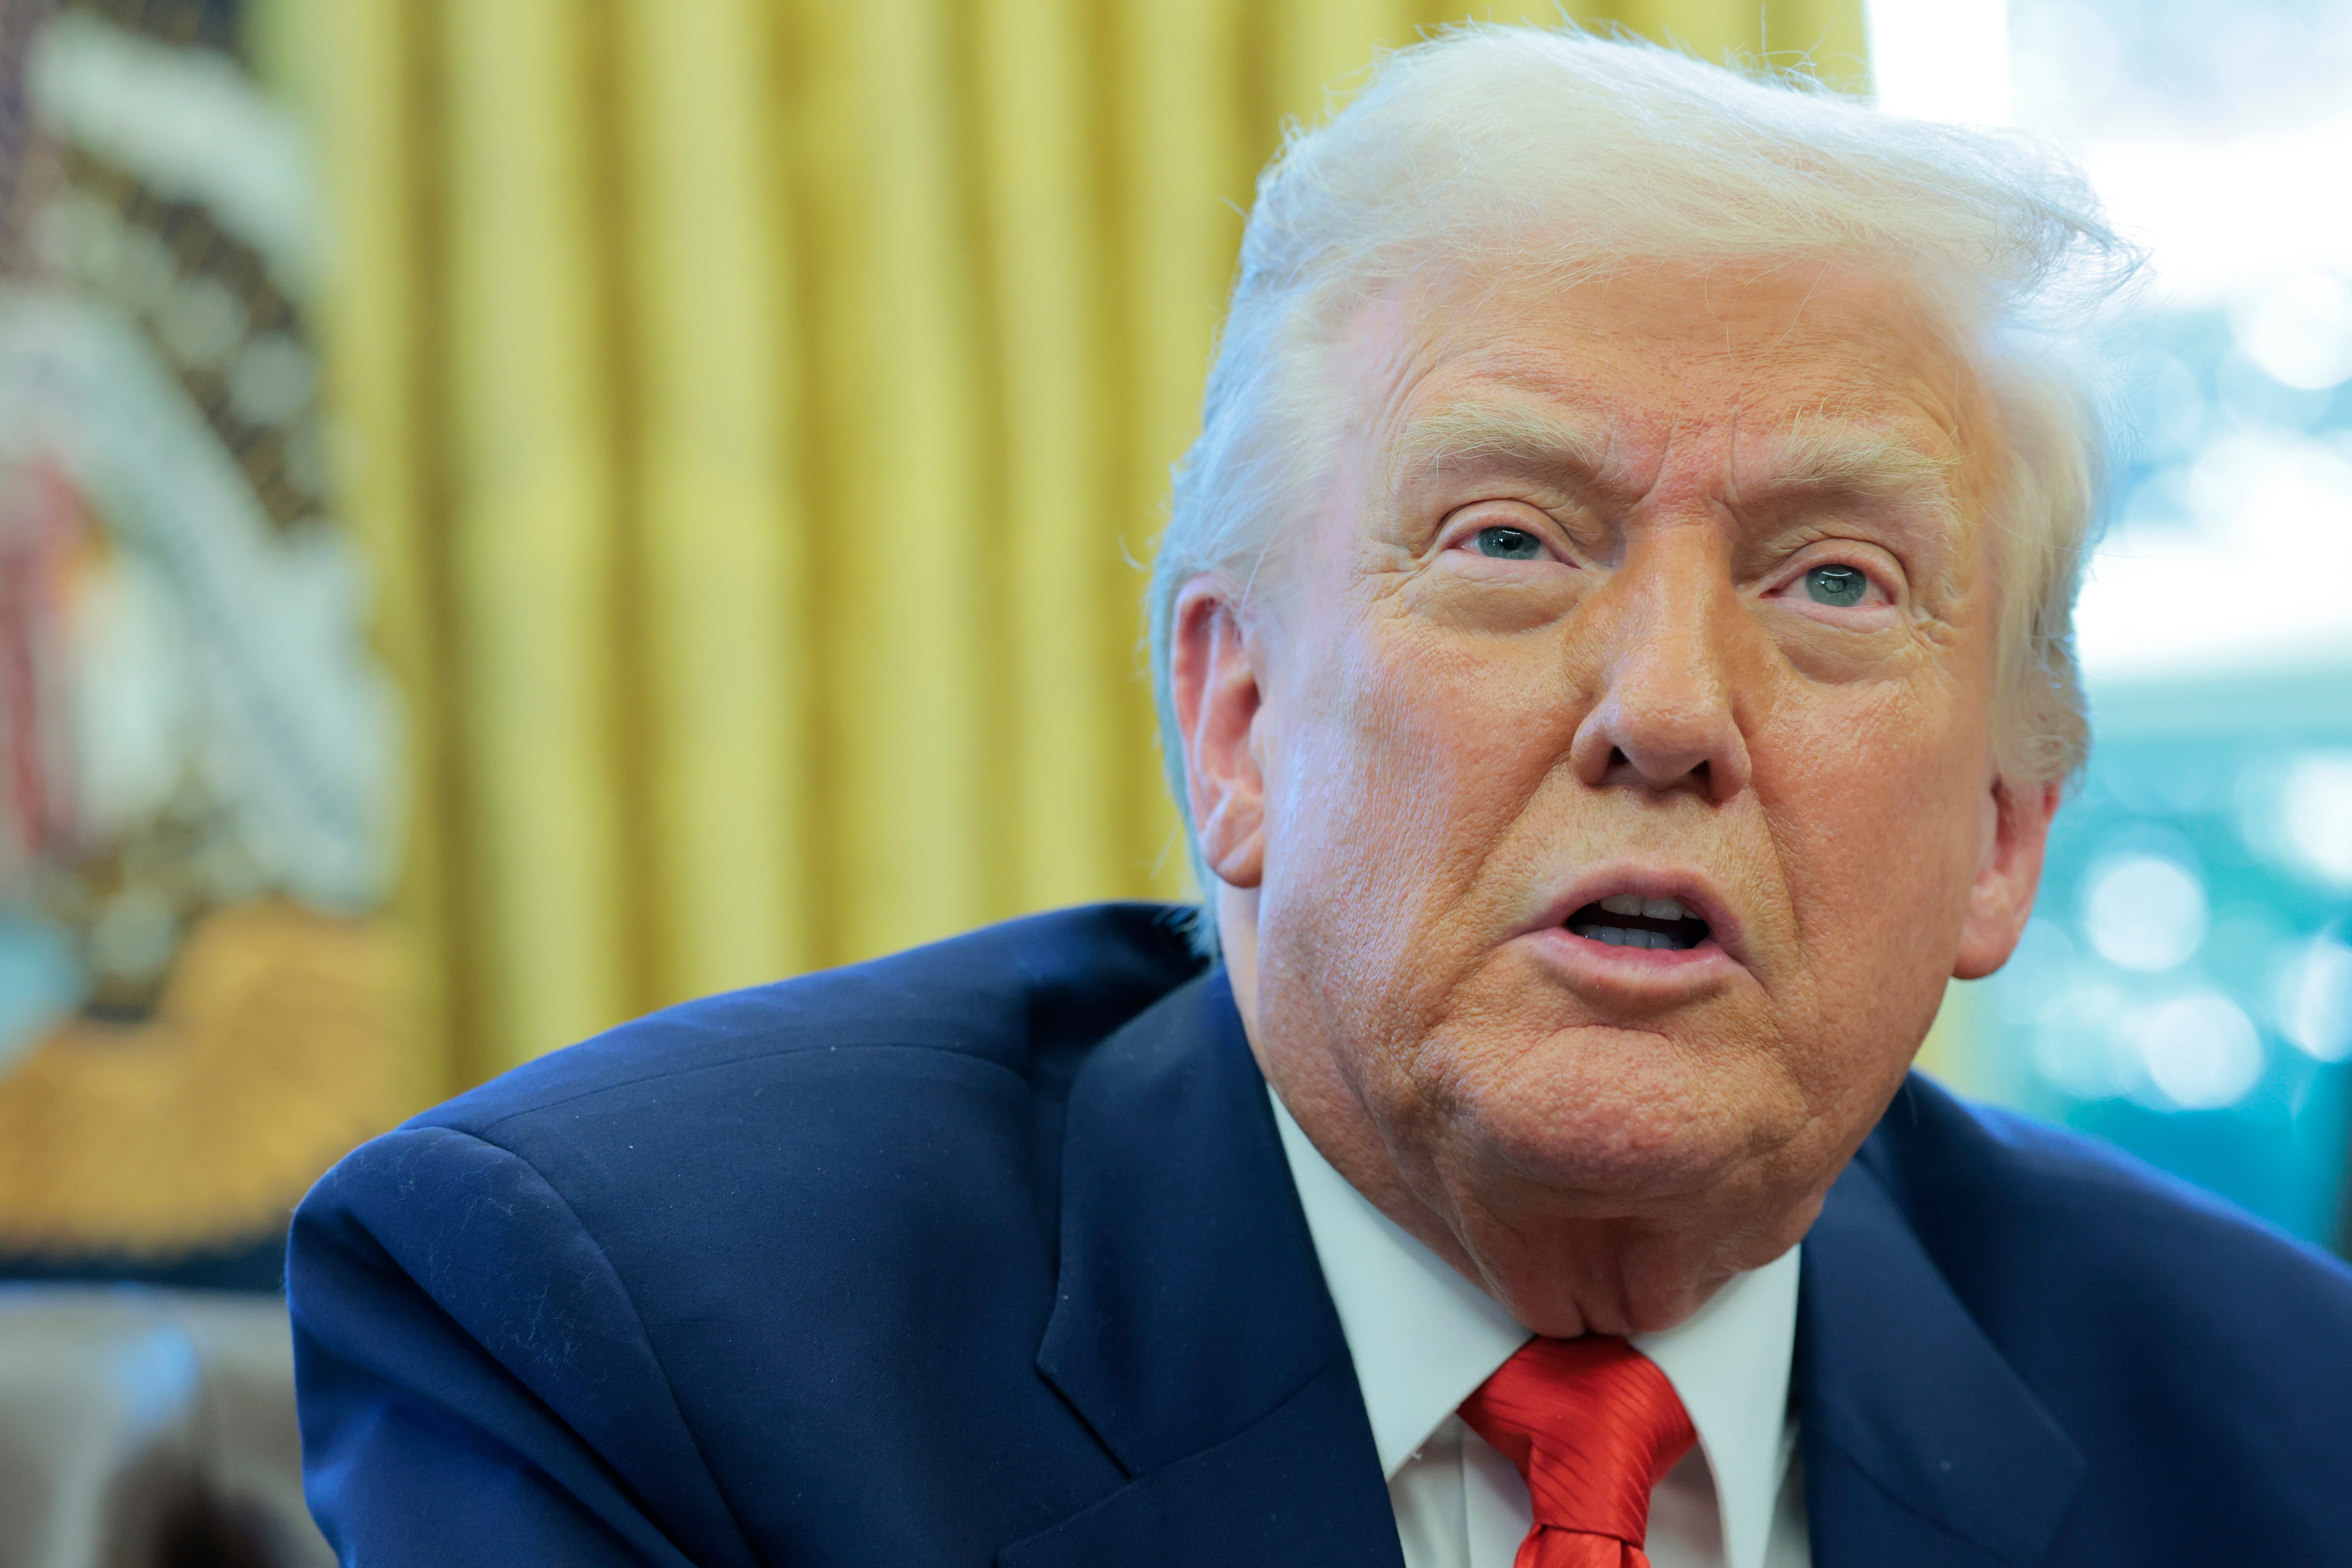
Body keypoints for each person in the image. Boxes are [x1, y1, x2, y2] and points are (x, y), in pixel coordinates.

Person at [287, 25, 2352, 1568]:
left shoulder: (2280, 1432)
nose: (1663, 709)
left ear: (2003, 827)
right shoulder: (638, 1339)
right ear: (1235, 720)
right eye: (1507, 542)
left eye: (1832, 582)